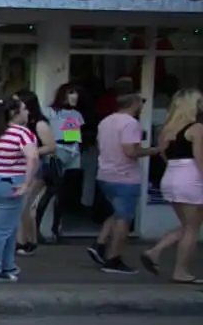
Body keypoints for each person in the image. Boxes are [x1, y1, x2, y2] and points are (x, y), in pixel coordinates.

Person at [90, 88, 158, 275]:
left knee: (117, 212)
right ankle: (113, 258)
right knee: (124, 219)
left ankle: (100, 244)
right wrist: (153, 150)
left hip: (105, 174)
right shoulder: (130, 123)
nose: (143, 105)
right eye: (141, 102)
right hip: (125, 176)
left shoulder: (105, 121)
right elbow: (130, 152)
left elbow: (98, 144)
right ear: (134, 103)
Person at [141, 88, 203, 284]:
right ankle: (181, 271)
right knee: (193, 228)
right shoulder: (197, 128)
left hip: (172, 175)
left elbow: (163, 155)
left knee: (187, 225)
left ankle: (155, 251)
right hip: (191, 175)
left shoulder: (167, 130)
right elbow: (200, 158)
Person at [0, 100, 39, 282]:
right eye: (25, 109)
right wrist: (27, 183)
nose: (27, 112)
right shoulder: (21, 133)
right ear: (14, 113)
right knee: (2, 228)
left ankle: (7, 264)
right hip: (9, 183)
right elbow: (32, 157)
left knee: (7, 225)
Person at [36, 83, 84, 241]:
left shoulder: (75, 114)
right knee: (52, 190)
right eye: (71, 92)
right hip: (56, 151)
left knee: (63, 193)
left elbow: (72, 135)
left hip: (73, 152)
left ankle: (57, 229)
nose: (74, 96)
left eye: (76, 93)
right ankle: (36, 229)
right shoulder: (50, 112)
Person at [12, 90, 56, 256]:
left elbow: (51, 147)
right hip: (24, 168)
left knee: (25, 205)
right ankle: (25, 240)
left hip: (38, 169)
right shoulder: (20, 125)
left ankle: (27, 241)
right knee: (22, 206)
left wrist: (31, 151)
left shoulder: (39, 124)